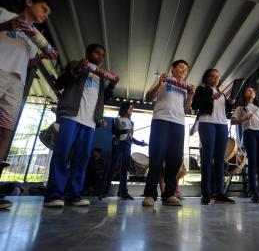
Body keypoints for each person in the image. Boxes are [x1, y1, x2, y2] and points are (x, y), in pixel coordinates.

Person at [44, 43, 119, 207]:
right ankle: (54, 194)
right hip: (71, 115)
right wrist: (78, 68)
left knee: (83, 158)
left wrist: (112, 85)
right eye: (97, 53)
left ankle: (73, 194)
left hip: (90, 121)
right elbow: (59, 84)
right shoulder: (75, 64)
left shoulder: (100, 76)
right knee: (62, 154)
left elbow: (103, 99)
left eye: (102, 55)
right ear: (88, 53)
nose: (100, 57)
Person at [0, 0, 54, 209]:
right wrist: (6, 25)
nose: (45, 15)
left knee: (5, 131)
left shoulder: (34, 36)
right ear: (29, 2)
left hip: (17, 81)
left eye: (48, 14)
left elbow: (28, 62)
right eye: (44, 9)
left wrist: (41, 57)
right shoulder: (4, 14)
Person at [142, 60, 195, 207]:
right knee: (156, 157)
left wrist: (190, 94)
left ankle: (169, 194)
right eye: (181, 67)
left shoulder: (185, 87)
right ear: (173, 68)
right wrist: (160, 84)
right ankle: (150, 194)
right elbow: (148, 97)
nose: (183, 71)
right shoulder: (164, 79)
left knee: (175, 159)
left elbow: (186, 109)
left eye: (186, 69)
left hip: (178, 123)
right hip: (161, 120)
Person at [192, 69, 235, 205]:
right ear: (207, 78)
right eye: (213, 76)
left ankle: (220, 193)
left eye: (218, 76)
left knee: (220, 159)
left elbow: (225, 111)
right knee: (207, 157)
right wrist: (210, 98)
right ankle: (206, 193)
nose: (216, 78)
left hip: (222, 124)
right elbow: (195, 105)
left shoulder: (222, 93)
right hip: (207, 123)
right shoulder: (201, 89)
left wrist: (230, 104)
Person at [100, 102, 147, 200]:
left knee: (124, 169)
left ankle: (123, 192)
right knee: (112, 167)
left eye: (132, 109)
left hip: (127, 146)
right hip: (118, 144)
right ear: (124, 109)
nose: (131, 110)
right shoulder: (116, 120)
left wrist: (141, 143)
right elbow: (115, 133)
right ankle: (104, 191)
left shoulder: (131, 122)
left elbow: (131, 138)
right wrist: (126, 131)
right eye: (130, 108)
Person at [231, 87, 259, 203]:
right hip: (249, 133)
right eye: (248, 90)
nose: (251, 91)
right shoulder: (240, 108)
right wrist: (243, 119)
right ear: (244, 94)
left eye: (253, 90)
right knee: (252, 162)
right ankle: (254, 192)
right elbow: (232, 121)